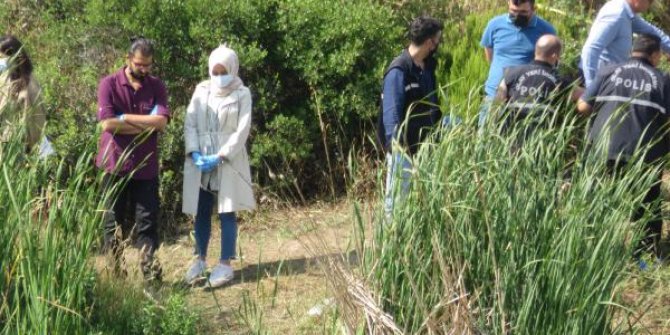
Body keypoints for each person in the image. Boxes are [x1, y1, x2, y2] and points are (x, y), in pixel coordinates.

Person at [577, 34, 670, 266]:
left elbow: (583, 106)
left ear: (632, 51)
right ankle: (644, 259)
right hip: (644, 154)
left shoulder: (608, 71)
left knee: (597, 199)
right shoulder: (663, 79)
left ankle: (591, 250)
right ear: (656, 55)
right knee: (647, 205)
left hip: (602, 149)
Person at [97, 37, 170, 281]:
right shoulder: (108, 84)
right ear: (128, 59)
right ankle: (116, 275)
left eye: (148, 65)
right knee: (112, 223)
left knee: (147, 223)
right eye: (140, 64)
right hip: (114, 165)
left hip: (146, 167)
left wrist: (125, 118)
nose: (144, 69)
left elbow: (161, 122)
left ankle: (150, 276)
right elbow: (107, 123)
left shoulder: (156, 86)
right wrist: (146, 126)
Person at [182, 45, 255, 287]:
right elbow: (190, 121)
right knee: (202, 210)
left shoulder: (242, 94)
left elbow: (242, 129)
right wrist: (193, 151)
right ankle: (200, 259)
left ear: (233, 69)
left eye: (224, 70)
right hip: (201, 159)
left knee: (226, 211)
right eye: (215, 71)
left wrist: (222, 155)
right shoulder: (201, 90)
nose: (220, 75)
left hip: (228, 159)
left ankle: (225, 264)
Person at [377, 15, 443, 215]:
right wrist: (398, 150)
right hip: (403, 149)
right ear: (430, 42)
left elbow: (433, 104)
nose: (439, 43)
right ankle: (390, 244)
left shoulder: (428, 67)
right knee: (396, 202)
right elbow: (391, 116)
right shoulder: (399, 70)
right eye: (438, 39)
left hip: (427, 145)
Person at [480, 0, 556, 128]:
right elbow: (489, 53)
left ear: (533, 8)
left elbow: (550, 62)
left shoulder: (546, 30)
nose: (517, 15)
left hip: (525, 98)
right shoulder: (495, 25)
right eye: (513, 11)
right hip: (494, 92)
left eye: (523, 12)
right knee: (486, 139)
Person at [495, 35, 582, 141]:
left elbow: (499, 100)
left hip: (509, 137)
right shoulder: (560, 79)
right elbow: (583, 96)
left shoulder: (511, 72)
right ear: (555, 56)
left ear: (536, 51)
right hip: (540, 141)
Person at [581, 0, 670, 87]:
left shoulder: (627, 14)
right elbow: (591, 49)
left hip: (610, 81)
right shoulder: (617, 14)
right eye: (650, 1)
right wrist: (591, 88)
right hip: (597, 81)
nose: (651, 4)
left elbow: (653, 32)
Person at [0, 35, 45, 150]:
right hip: (32, 141)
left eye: (1, 57)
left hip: (13, 142)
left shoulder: (10, 80)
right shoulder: (32, 78)